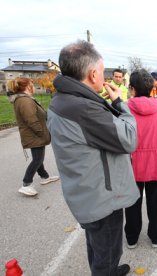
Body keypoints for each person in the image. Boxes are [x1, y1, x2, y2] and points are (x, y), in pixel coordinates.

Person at [47, 40, 139, 276]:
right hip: (101, 197)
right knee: (106, 254)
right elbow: (129, 139)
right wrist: (120, 103)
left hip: (86, 190)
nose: (104, 75)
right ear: (92, 74)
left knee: (99, 247)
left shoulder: (64, 99)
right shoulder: (84, 108)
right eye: (102, 70)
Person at [124, 69, 157, 249]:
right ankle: (155, 235)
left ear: (133, 89)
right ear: (152, 88)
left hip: (132, 163)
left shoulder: (124, 110)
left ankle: (131, 237)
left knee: (132, 202)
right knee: (155, 201)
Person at [6, 77, 59, 196]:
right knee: (37, 159)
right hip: (34, 135)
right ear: (28, 86)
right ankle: (26, 184)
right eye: (32, 84)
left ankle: (44, 176)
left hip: (34, 134)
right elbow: (31, 120)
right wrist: (41, 133)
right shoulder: (24, 101)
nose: (34, 87)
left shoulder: (26, 99)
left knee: (37, 157)